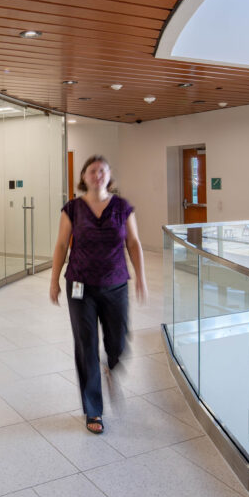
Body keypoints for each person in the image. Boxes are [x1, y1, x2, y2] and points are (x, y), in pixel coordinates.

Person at [50, 155, 147, 435]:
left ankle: (111, 365)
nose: (97, 175)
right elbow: (60, 245)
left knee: (118, 342)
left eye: (102, 170)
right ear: (84, 177)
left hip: (116, 284)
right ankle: (93, 409)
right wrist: (54, 280)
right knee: (86, 345)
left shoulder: (122, 207)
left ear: (109, 176)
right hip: (80, 286)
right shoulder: (72, 209)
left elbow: (134, 243)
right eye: (92, 171)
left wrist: (141, 277)